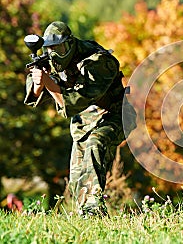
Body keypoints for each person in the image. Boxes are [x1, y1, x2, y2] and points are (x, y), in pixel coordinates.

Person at [24, 21, 136, 217]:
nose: (55, 54)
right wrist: (37, 83)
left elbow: (74, 103)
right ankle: (85, 216)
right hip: (84, 121)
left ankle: (94, 210)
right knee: (78, 175)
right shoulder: (51, 58)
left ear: (71, 43)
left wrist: (49, 84)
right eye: (50, 49)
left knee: (96, 143)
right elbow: (33, 92)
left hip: (117, 115)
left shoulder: (99, 62)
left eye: (60, 47)